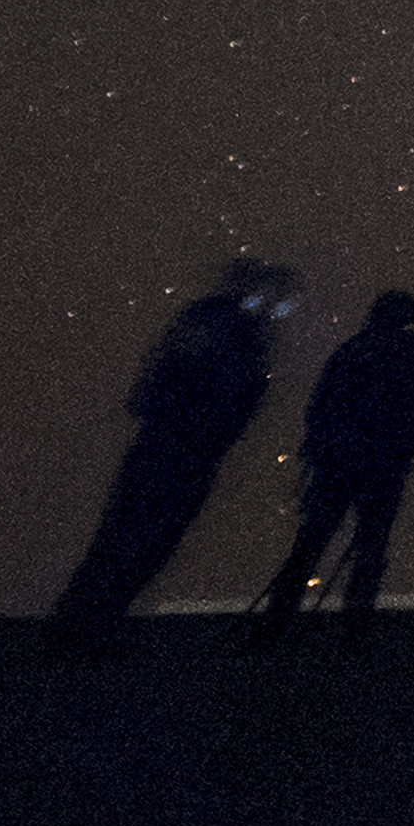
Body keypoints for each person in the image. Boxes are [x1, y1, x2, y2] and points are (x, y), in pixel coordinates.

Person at [45, 263, 295, 649]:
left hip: (172, 443)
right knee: (143, 539)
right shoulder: (235, 330)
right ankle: (88, 625)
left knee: (125, 535)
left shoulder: (217, 323)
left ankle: (80, 624)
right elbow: (225, 393)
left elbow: (162, 377)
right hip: (184, 448)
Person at [253, 291, 414, 628]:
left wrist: (317, 451)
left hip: (341, 460)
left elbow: (320, 405)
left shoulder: (354, 350)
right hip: (383, 463)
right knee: (369, 543)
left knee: (314, 540)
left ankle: (278, 617)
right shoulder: (411, 351)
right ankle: (355, 621)